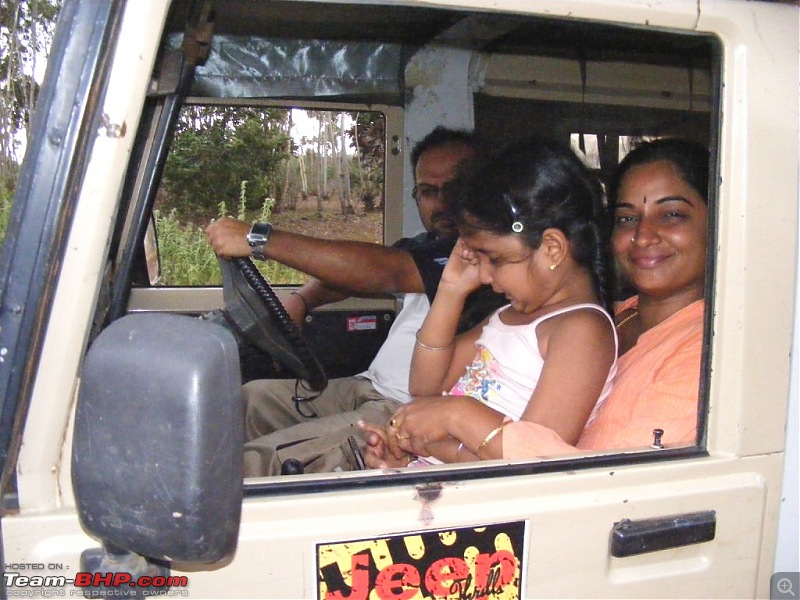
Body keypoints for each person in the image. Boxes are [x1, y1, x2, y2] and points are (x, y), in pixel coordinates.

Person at [206, 126, 504, 476]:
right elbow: (352, 277)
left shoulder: (484, 258)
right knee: (245, 402)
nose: (440, 203)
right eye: (427, 191)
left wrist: (260, 240)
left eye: (453, 190)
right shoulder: (425, 246)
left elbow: (385, 272)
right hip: (365, 386)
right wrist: (303, 300)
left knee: (261, 461)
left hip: (405, 410)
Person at [361, 138, 618, 467]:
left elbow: (534, 455)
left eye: (494, 259)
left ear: (552, 249)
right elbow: (424, 385)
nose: (483, 276)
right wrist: (451, 291)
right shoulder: (509, 316)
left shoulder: (582, 330)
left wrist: (447, 424)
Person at [456, 137, 708, 460]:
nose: (643, 236)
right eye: (627, 218)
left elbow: (611, 478)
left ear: (717, 222)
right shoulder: (605, 315)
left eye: (672, 214)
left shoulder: (704, 354)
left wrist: (456, 419)